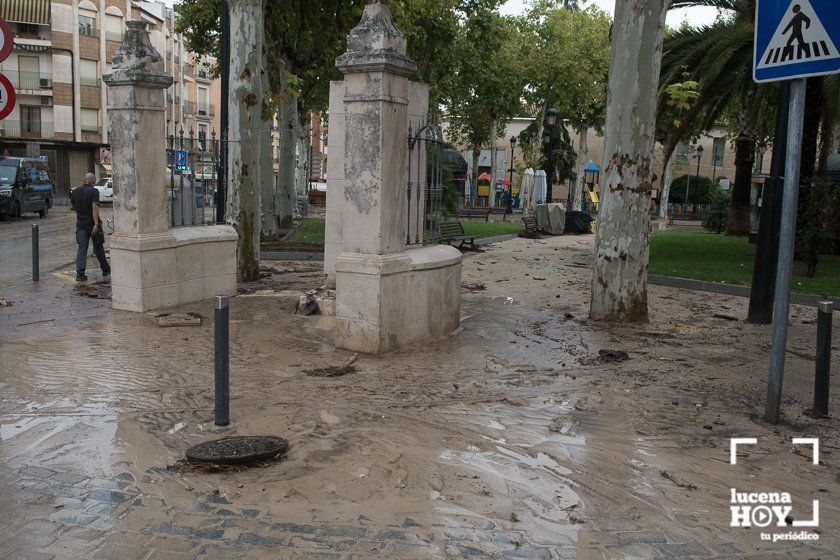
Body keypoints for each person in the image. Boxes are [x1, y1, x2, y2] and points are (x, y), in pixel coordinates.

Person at [70, 173, 110, 282]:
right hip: (92, 224)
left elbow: (72, 207)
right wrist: (96, 223)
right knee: (98, 248)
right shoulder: (94, 191)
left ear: (84, 180)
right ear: (92, 181)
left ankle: (80, 274)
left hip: (81, 224)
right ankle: (105, 270)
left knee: (82, 248)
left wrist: (81, 208)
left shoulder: (76, 191)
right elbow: (95, 207)